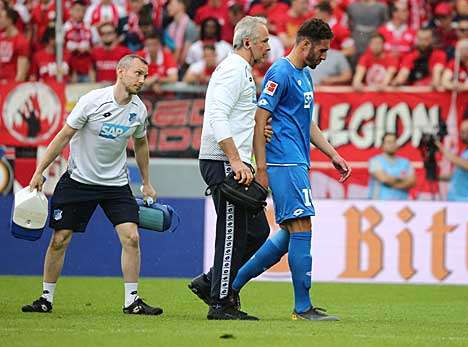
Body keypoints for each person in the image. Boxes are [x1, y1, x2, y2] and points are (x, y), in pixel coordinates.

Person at [21, 54, 163, 315]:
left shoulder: (139, 109)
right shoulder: (92, 101)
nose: (142, 79)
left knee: (132, 237)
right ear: (121, 72)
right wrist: (39, 171)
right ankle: (45, 298)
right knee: (59, 240)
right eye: (138, 73)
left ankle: (132, 301)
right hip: (79, 180)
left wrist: (146, 182)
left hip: (116, 184)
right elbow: (64, 136)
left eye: (145, 75)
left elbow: (141, 144)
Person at [235, 18, 351, 321]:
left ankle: (226, 287)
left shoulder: (303, 75)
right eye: (322, 50)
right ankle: (302, 307)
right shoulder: (281, 72)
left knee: (289, 233)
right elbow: (261, 118)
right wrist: (261, 167)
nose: (324, 56)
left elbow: (307, 122)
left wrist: (333, 154)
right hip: (283, 161)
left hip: (298, 159)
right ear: (305, 45)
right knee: (302, 227)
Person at [188, 16, 272, 321]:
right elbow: (218, 117)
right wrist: (235, 159)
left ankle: (211, 282)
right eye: (264, 40)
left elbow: (233, 117)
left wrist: (255, 130)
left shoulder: (242, 71)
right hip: (223, 161)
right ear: (248, 42)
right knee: (232, 233)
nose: (268, 46)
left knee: (258, 230)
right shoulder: (233, 70)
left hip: (231, 159)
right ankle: (220, 303)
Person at [368, 133, 415, 200]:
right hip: (379, 205)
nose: (392, 145)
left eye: (394, 142)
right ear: (382, 145)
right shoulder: (375, 161)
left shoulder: (405, 162)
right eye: (389, 142)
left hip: (401, 205)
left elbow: (412, 182)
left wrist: (391, 182)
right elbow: (384, 179)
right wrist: (403, 181)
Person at [0, 7, 30, 83]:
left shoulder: (21, 41)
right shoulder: (1, 38)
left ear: (9, 20)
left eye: (1, 17)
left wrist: (12, 88)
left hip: (11, 83)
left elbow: (21, 73)